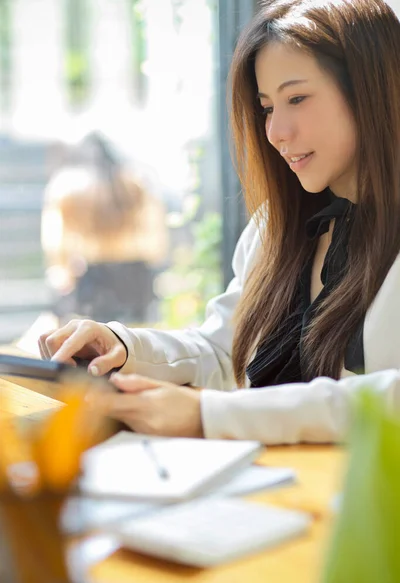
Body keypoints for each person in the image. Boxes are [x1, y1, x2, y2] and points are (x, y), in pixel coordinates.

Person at [38, 0, 400, 444]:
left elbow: (389, 397)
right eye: (267, 107)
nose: (276, 132)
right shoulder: (277, 227)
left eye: (297, 98)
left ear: (371, 91)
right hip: (273, 490)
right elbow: (224, 353)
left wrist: (213, 414)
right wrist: (124, 346)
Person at [41, 132, 168, 324]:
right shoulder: (135, 184)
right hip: (128, 278)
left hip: (101, 277)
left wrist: (63, 270)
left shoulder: (70, 191)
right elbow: (156, 244)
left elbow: (57, 248)